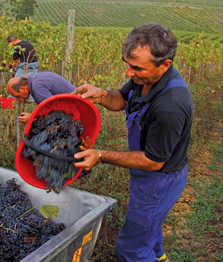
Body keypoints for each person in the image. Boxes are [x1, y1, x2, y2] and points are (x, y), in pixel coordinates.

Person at [72, 23, 194, 262]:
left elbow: (153, 161)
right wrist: (101, 94)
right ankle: (158, 256)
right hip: (147, 174)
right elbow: (121, 99)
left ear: (165, 64)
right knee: (149, 227)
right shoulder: (144, 77)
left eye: (135, 67)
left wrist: (101, 155)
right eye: (126, 64)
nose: (128, 73)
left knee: (131, 249)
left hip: (159, 180)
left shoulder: (171, 106)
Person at [7, 71, 76, 124]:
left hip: (76, 110)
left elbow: (55, 112)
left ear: (22, 89)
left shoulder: (37, 88)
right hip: (74, 106)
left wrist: (32, 117)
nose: (19, 98)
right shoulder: (37, 78)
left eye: (17, 96)